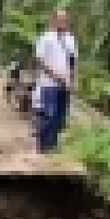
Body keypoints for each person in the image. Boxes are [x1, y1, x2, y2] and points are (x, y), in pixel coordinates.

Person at [34, 9, 77, 154]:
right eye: (60, 19)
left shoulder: (70, 39)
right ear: (54, 21)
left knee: (60, 116)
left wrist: (72, 79)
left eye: (65, 19)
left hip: (65, 84)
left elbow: (73, 61)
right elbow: (40, 61)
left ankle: (53, 145)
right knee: (49, 114)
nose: (63, 22)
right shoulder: (45, 38)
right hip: (49, 84)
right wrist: (55, 76)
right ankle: (43, 146)